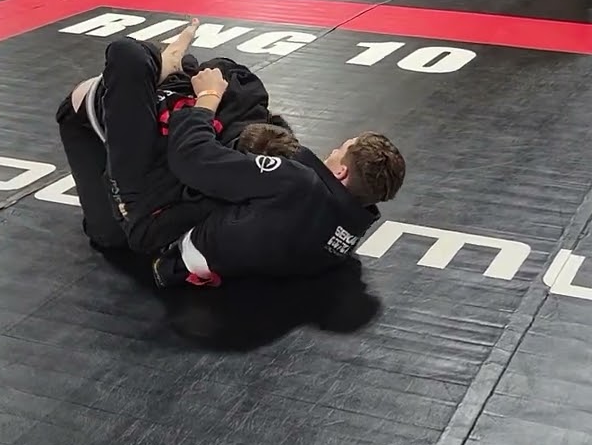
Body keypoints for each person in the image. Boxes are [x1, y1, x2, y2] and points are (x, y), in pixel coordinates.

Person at [60, 22, 407, 288]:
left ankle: (168, 70)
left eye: (339, 150)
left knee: (126, 57)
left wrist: (207, 99)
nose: (331, 150)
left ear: (342, 173)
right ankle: (175, 73)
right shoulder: (344, 236)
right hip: (168, 225)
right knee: (108, 236)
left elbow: (192, 159)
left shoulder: (297, 182)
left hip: (146, 213)